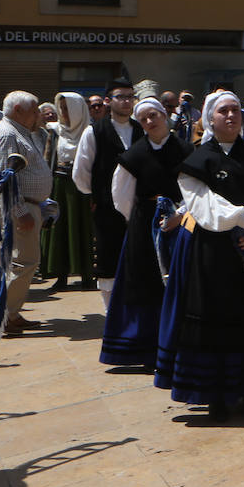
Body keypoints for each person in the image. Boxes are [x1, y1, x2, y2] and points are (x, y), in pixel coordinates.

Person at [154, 91, 244, 422]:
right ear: (210, 120)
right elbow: (206, 208)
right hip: (211, 253)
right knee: (215, 321)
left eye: (235, 110)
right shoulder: (196, 163)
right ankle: (215, 396)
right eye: (223, 111)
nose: (231, 116)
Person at [101, 97, 190, 370]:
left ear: (164, 115)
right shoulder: (134, 155)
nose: (150, 122)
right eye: (144, 119)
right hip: (144, 225)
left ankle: (178, 346)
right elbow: (121, 195)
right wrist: (141, 221)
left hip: (180, 222)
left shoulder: (186, 150)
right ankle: (147, 348)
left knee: (178, 284)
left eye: (154, 116)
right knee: (144, 283)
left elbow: (195, 189)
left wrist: (180, 214)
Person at [0, 92, 54, 331]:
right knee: (24, 262)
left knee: (17, 263)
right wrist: (20, 210)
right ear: (18, 111)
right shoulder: (6, 134)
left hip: (29, 204)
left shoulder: (20, 132)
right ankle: (2, 316)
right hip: (19, 207)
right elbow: (4, 177)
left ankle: (7, 313)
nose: (38, 115)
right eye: (33, 110)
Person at [72, 79, 143, 309]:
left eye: (130, 96)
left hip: (139, 207)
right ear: (107, 101)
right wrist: (100, 196)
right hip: (106, 208)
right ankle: (111, 313)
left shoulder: (142, 130)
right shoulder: (94, 132)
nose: (126, 101)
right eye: (120, 96)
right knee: (108, 258)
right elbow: (81, 173)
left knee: (139, 258)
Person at [41, 93, 94, 292]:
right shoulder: (55, 131)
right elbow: (48, 160)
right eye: (60, 108)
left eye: (67, 108)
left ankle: (88, 275)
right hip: (60, 185)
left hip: (82, 187)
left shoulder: (89, 132)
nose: (63, 113)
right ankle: (60, 276)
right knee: (60, 229)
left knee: (83, 228)